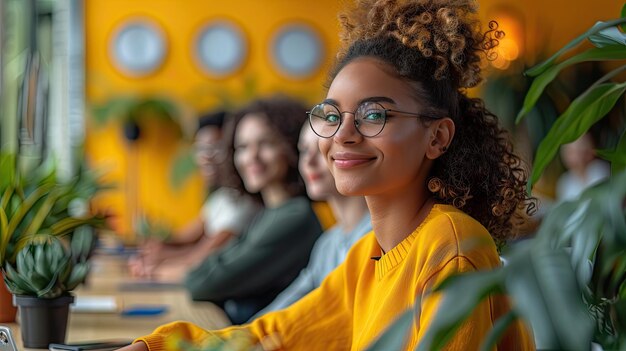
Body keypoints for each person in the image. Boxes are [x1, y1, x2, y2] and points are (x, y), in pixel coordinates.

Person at [119, 0, 536, 349]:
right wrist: (153, 346)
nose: (343, 135)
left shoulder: (450, 245)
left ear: (437, 137)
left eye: (375, 114)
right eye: (332, 115)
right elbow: (273, 336)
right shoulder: (367, 257)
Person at [181, 97, 323, 324]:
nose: (252, 157)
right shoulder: (270, 212)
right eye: (243, 147)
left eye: (266, 143)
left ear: (292, 147)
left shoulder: (294, 216)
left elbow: (203, 282)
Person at [252, 122, 372, 318]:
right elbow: (285, 308)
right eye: (304, 150)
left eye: (323, 148)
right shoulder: (327, 244)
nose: (309, 161)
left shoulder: (378, 238)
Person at [128, 111, 261, 282]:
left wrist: (157, 265)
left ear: (232, 149)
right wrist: (158, 249)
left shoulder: (244, 202)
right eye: (200, 148)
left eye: (216, 148)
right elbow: (184, 238)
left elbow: (202, 257)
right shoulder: (221, 197)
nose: (206, 157)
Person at [556, 132, 610, 202]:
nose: (572, 157)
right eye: (570, 152)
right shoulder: (565, 181)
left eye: (576, 151)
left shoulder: (599, 170)